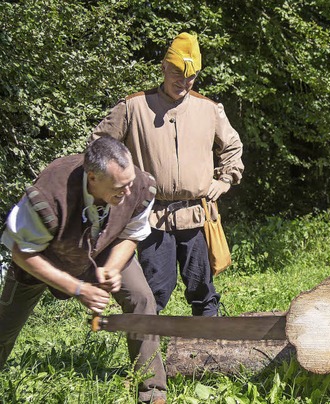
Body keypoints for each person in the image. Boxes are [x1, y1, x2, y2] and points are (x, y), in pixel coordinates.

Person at [0, 137, 167, 403]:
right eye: (119, 187)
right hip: (43, 259)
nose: (127, 191)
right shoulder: (48, 194)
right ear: (93, 178)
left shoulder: (139, 186)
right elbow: (22, 252)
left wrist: (112, 268)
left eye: (129, 182)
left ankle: (152, 392)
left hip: (102, 249)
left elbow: (132, 233)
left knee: (141, 299)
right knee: (4, 328)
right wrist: (77, 288)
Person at [91, 32, 244, 317]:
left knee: (203, 292)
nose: (183, 82)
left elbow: (233, 147)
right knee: (154, 293)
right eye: (176, 73)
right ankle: (150, 358)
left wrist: (224, 180)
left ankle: (210, 351)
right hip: (150, 217)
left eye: (190, 77)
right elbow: (98, 146)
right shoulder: (133, 107)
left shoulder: (209, 110)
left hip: (197, 216)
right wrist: (116, 188)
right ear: (163, 67)